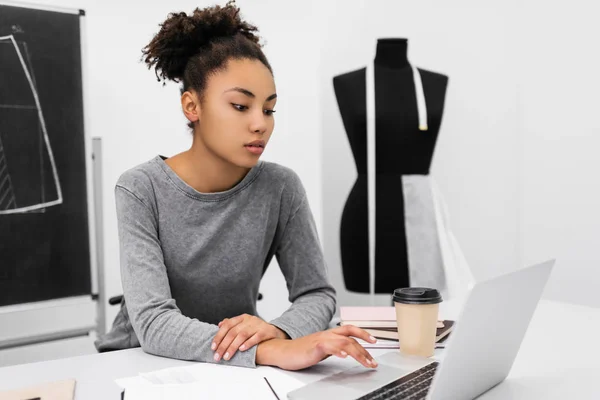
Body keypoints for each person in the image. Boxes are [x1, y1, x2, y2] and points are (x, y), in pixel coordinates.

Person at [94, 0, 378, 371]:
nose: (260, 124)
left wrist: (278, 331)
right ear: (191, 106)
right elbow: (153, 323)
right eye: (241, 106)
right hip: (138, 364)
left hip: (231, 372)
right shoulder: (140, 188)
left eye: (269, 108)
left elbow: (317, 294)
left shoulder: (281, 187)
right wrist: (267, 352)